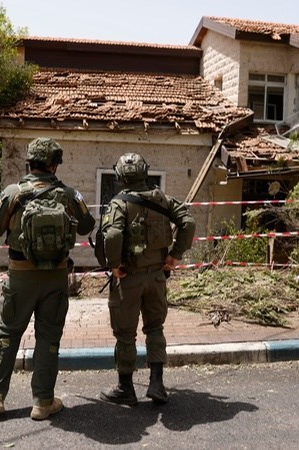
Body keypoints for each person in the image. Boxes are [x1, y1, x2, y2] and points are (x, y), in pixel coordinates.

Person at [0, 137, 95, 420]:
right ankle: (43, 402)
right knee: (48, 337)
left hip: (20, 277)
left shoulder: (12, 193)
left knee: (8, 332)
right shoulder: (70, 194)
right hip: (55, 278)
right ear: (55, 165)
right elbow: (88, 226)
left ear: (29, 163)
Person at [98, 152, 195, 405]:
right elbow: (187, 221)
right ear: (145, 172)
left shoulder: (119, 204)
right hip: (156, 277)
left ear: (120, 177)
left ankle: (126, 388)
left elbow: (111, 236)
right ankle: (157, 383)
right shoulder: (162, 199)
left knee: (125, 334)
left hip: (128, 278)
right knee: (155, 328)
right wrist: (174, 257)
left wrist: (115, 264)